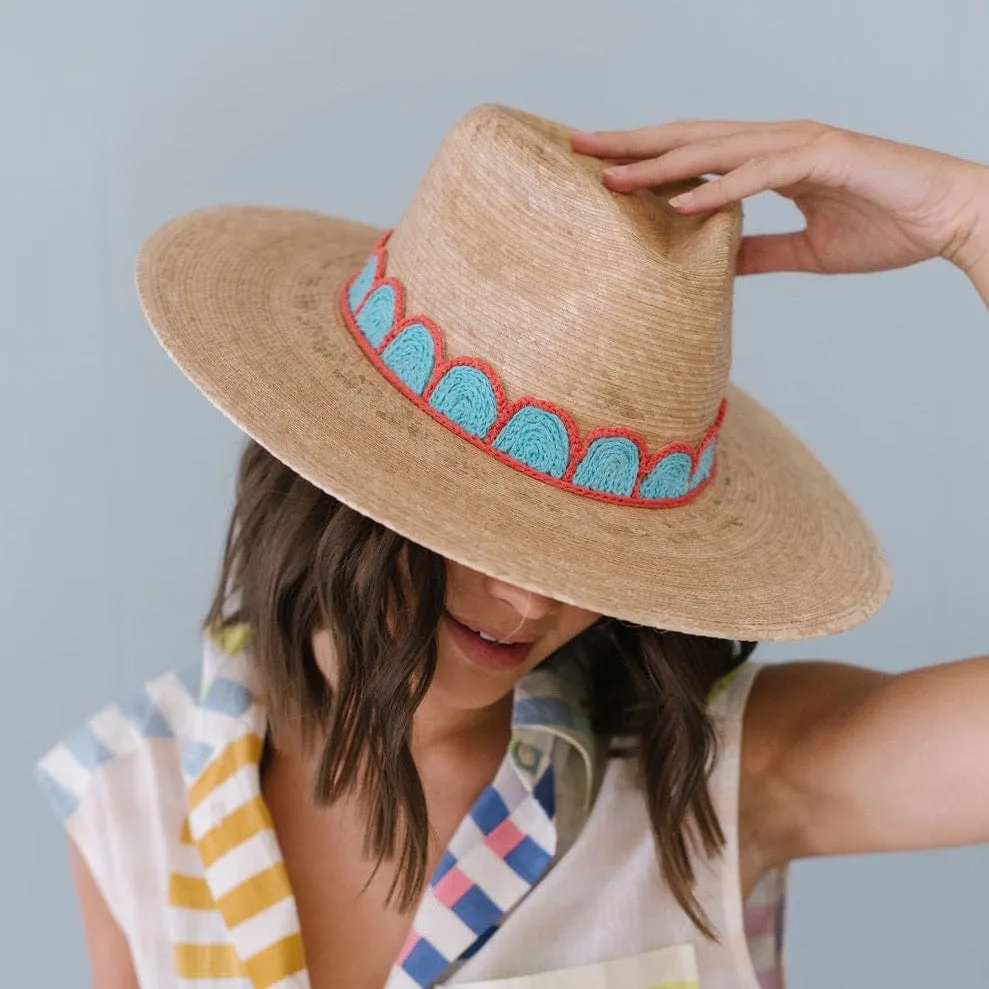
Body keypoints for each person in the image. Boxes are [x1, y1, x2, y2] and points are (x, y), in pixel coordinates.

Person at [35, 105, 989, 989]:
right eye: (484, 525)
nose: (533, 600)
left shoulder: (709, 771)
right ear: (342, 479)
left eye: (592, 549)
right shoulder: (128, 798)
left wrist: (968, 219)